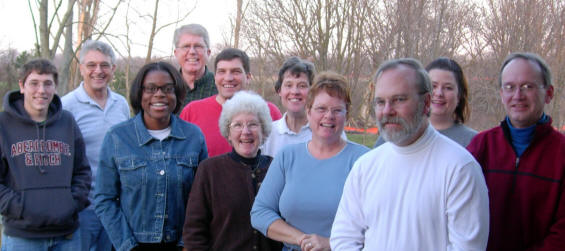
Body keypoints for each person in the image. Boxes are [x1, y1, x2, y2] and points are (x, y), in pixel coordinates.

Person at [330, 58, 489, 250]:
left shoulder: (459, 168)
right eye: (380, 102)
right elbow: (344, 238)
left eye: (399, 99)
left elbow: (467, 248)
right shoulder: (366, 166)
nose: (387, 111)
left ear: (426, 102)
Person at [94, 62, 208, 251]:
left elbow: (203, 199)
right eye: (151, 88)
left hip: (182, 245)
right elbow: (104, 199)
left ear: (177, 94)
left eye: (167, 89)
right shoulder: (117, 138)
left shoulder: (193, 137)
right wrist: (128, 245)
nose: (159, 94)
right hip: (132, 244)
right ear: (140, 94)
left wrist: (188, 243)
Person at [251, 72, 369, 251]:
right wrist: (301, 239)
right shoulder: (287, 157)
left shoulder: (364, 160)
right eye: (321, 109)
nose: (328, 116)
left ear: (347, 114)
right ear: (308, 112)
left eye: (337, 110)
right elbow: (260, 213)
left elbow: (381, 224)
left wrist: (330, 244)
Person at [467, 52, 565, 250]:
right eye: (510, 87)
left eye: (528, 87)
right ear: (502, 95)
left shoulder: (561, 153)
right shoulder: (481, 146)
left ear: (549, 93)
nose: (518, 96)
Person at [0, 59, 91, 250]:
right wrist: (21, 208)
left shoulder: (67, 121)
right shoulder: (3, 125)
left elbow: (82, 171)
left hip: (67, 235)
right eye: (34, 83)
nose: (41, 90)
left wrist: (70, 203)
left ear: (55, 87)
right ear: (22, 86)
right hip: (22, 236)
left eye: (48, 84)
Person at [182, 91, 281, 250]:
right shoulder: (209, 171)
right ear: (228, 133)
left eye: (253, 124)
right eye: (238, 125)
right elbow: (194, 232)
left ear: (264, 130)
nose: (246, 131)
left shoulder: (277, 169)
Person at [62, 39, 130, 251]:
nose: (98, 71)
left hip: (115, 207)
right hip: (83, 208)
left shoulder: (121, 104)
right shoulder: (67, 106)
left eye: (104, 65)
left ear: (113, 69)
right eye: (91, 65)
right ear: (81, 68)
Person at [180, 48, 282, 157]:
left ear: (248, 77)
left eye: (236, 72)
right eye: (222, 72)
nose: (228, 78)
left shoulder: (269, 112)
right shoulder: (192, 112)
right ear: (215, 77)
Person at [373, 57, 476, 147]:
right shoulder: (392, 137)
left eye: (448, 88)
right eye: (433, 86)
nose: (439, 93)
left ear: (459, 95)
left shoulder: (473, 142)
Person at [173, 24, 217, 107]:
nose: (192, 52)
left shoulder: (220, 87)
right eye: (186, 46)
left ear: (208, 52)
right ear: (176, 53)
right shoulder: (167, 88)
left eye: (198, 46)